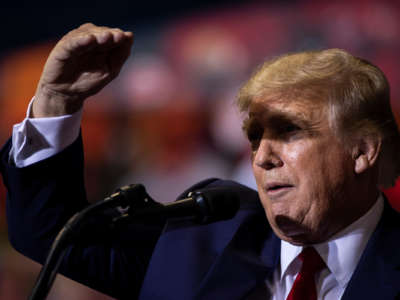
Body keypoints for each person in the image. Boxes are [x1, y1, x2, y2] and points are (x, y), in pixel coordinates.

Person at [1, 23, 400, 299]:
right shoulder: (206, 238)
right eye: (255, 136)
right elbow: (50, 231)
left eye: (289, 131)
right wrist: (57, 102)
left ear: (363, 150)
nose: (262, 157)